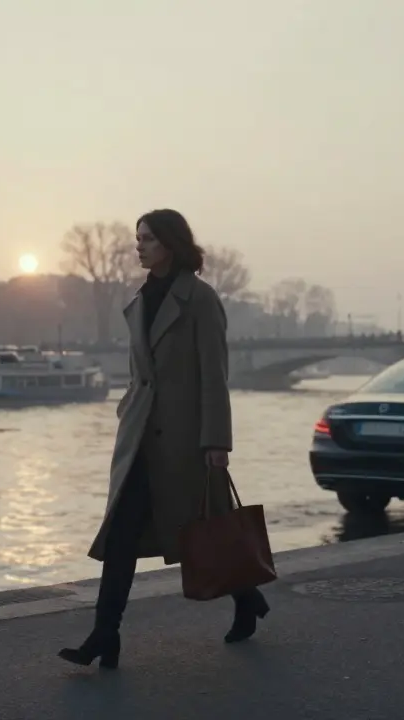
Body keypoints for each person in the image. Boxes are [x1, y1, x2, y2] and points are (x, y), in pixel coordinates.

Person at [58, 208, 269, 670]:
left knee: (205, 532)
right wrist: (127, 410)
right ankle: (105, 634)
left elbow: (214, 375)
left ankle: (246, 595)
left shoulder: (201, 299)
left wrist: (216, 442)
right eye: (138, 238)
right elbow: (140, 374)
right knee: (121, 535)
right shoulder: (139, 299)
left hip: (183, 441)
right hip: (139, 439)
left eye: (149, 238)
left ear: (171, 243)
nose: (139, 246)